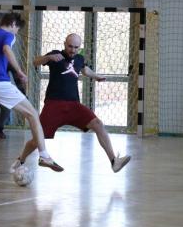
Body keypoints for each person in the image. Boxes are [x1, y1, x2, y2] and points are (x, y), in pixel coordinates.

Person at [0, 12, 64, 184]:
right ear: (13, 24)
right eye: (17, 29)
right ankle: (44, 156)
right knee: (33, 114)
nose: (16, 33)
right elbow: (7, 50)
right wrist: (19, 72)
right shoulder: (8, 35)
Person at [10, 33, 131, 175]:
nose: (73, 50)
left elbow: (84, 69)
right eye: (70, 46)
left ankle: (114, 162)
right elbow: (35, 62)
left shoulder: (79, 58)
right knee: (38, 139)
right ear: (64, 44)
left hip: (74, 105)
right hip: (54, 105)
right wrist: (48, 58)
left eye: (76, 47)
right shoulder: (55, 54)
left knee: (98, 124)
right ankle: (21, 160)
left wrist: (96, 76)